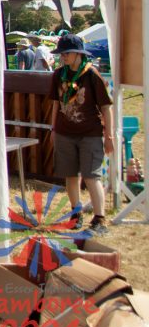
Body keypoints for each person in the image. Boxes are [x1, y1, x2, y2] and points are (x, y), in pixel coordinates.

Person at [48, 34, 114, 235]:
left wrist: (109, 135)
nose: (63, 57)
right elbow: (56, 104)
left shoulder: (92, 75)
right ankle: (76, 214)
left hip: (90, 133)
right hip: (64, 133)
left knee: (91, 176)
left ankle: (99, 218)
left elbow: (105, 107)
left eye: (66, 53)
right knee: (70, 174)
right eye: (61, 54)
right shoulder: (59, 74)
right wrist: (53, 128)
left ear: (78, 54)